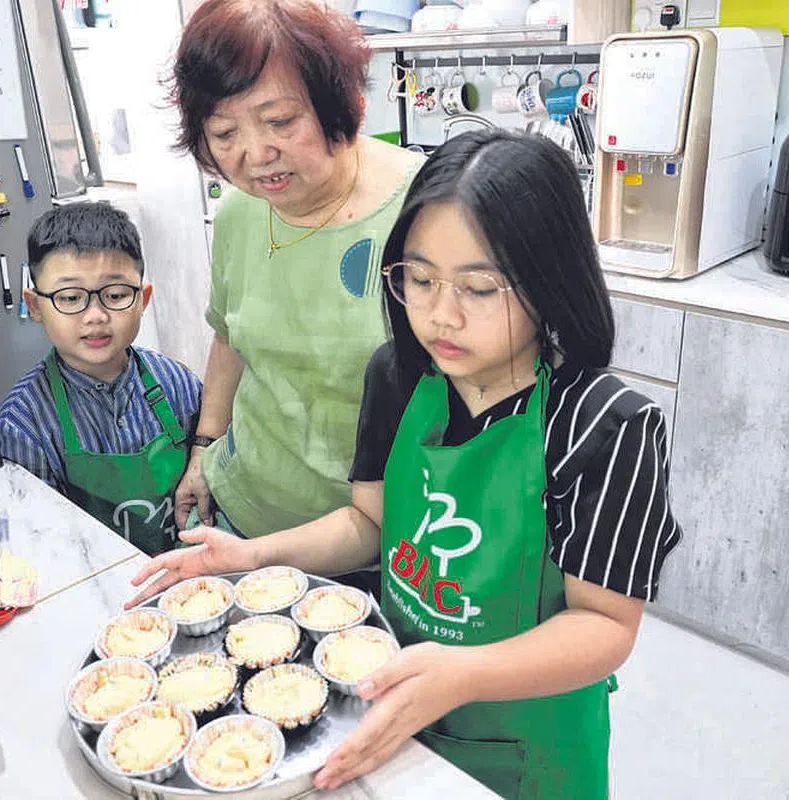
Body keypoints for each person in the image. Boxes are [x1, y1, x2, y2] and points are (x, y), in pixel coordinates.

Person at [127, 129, 684, 798]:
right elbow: (371, 525)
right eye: (418, 279)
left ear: (550, 281)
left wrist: (462, 673)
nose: (438, 316)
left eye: (478, 290)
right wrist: (252, 558)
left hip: (529, 741)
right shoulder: (399, 375)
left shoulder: (604, 425)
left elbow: (604, 628)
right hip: (391, 705)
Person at [164, 0, 425, 588]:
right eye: (225, 132)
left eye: (280, 121)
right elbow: (230, 336)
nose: (255, 155)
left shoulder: (426, 210)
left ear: (340, 105)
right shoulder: (237, 213)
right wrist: (205, 450)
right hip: (244, 521)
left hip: (387, 541)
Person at [0, 202, 202, 556]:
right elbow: (42, 546)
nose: (95, 315)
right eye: (70, 297)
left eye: (116, 295)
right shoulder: (23, 425)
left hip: (194, 578)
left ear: (143, 299)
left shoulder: (177, 383)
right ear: (35, 306)